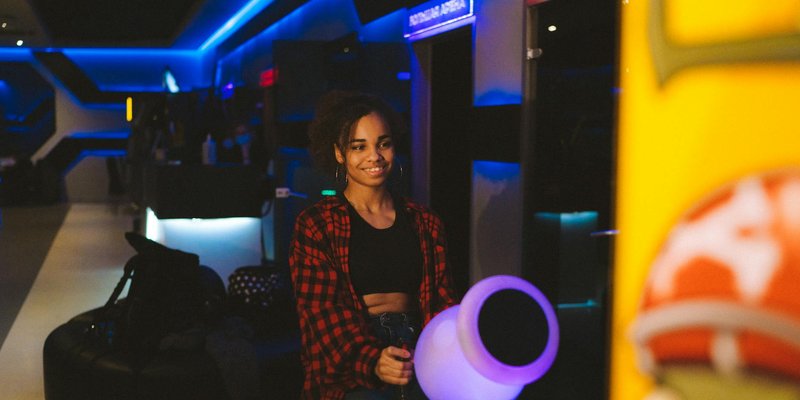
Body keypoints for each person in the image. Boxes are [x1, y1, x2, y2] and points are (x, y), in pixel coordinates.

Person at [289, 91, 459, 400]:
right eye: (359, 147)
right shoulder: (316, 224)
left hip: (420, 347)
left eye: (383, 143)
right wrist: (372, 360)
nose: (374, 156)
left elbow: (442, 302)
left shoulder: (424, 221)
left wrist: (443, 352)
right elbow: (321, 313)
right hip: (352, 350)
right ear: (339, 153)